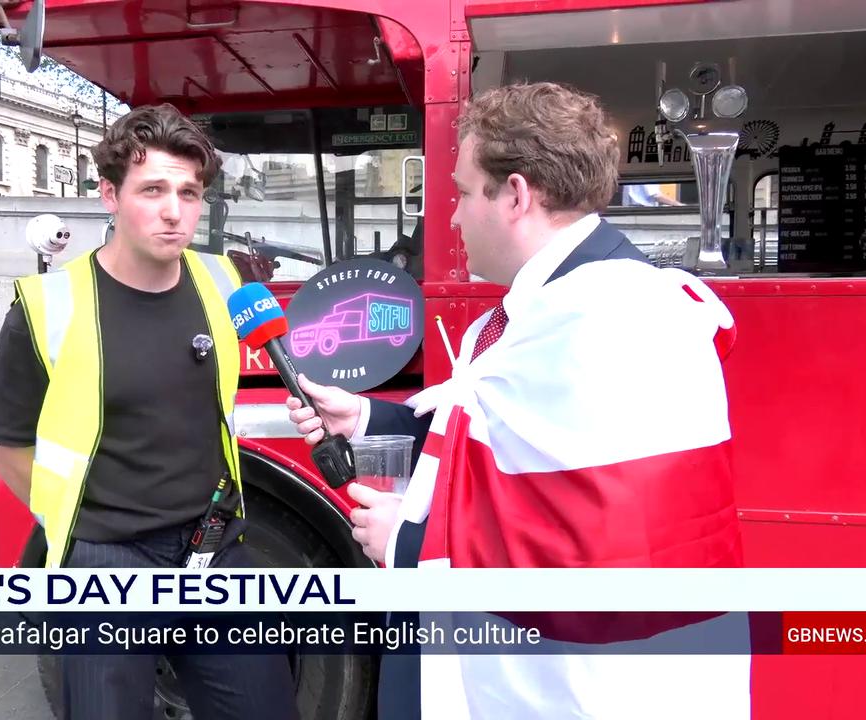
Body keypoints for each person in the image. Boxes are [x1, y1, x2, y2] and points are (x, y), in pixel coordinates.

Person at [287, 82, 748, 719]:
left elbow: (608, 544)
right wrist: (364, 417)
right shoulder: (554, 307)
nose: (450, 217)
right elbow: (503, 451)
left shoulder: (608, 321)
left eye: (463, 193)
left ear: (516, 195)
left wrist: (411, 544)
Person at [0, 103, 298, 720]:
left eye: (189, 192)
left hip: (215, 550)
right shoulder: (47, 306)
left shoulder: (223, 281)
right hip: (105, 563)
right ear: (110, 195)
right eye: (152, 189)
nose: (173, 209)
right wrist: (80, 538)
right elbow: (10, 449)